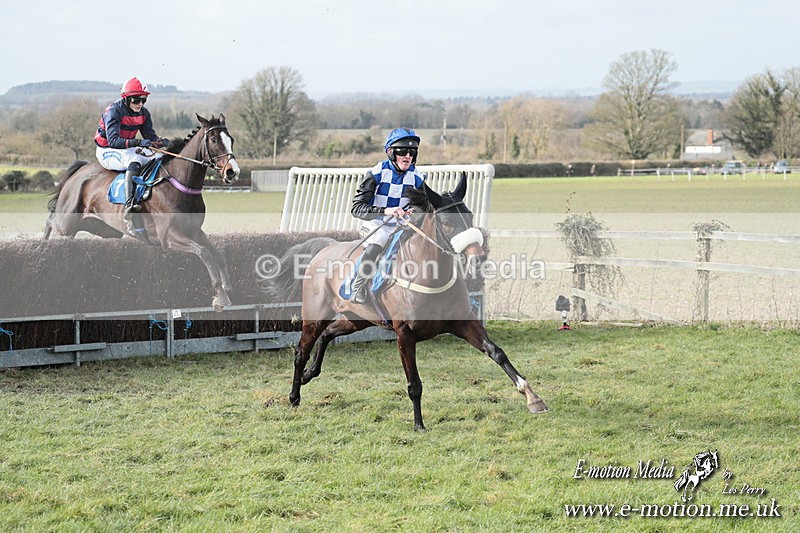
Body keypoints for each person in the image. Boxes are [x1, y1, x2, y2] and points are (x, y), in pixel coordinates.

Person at [349, 127, 429, 304]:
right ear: (391, 152)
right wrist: (386, 211)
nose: (408, 155)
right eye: (403, 151)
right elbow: (357, 208)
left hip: (402, 226)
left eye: (412, 151)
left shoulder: (417, 177)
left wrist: (415, 212)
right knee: (380, 239)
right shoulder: (376, 173)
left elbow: (424, 207)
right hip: (374, 225)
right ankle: (358, 287)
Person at [95, 77, 169, 219]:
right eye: (136, 100)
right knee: (134, 161)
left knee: (159, 157)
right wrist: (139, 142)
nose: (140, 104)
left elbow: (150, 136)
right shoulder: (114, 111)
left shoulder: (144, 113)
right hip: (107, 149)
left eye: (143, 100)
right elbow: (114, 141)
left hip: (126, 147)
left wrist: (161, 142)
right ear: (126, 99)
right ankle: (129, 205)